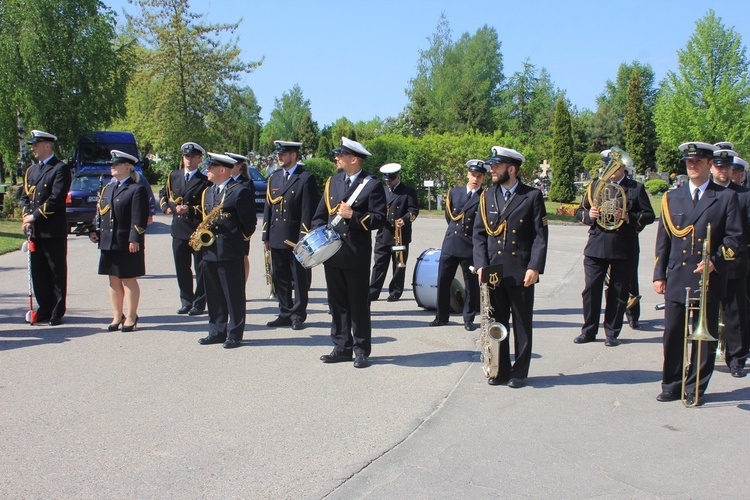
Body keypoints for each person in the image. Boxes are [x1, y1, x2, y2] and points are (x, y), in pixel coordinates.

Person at [653, 142, 742, 405]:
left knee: (703, 338)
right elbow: (664, 240)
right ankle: (671, 383)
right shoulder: (672, 197)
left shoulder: (725, 197)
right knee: (672, 333)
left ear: (709, 165)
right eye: (689, 162)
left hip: (708, 276)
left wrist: (715, 261)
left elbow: (734, 239)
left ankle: (696, 387)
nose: (693, 166)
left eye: (699, 162)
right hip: (678, 276)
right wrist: (659, 274)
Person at [473, 147, 548, 388]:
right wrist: (481, 265)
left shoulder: (532, 196)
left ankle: (519, 372)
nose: (492, 170)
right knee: (497, 322)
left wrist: (535, 266)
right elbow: (479, 234)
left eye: (497, 165)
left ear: (512, 169)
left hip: (520, 269)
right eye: (492, 166)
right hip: (494, 270)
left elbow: (540, 236)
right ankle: (500, 368)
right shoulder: (487, 196)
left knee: (522, 323)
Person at [313, 137, 386, 368]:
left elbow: (379, 219)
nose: (337, 158)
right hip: (333, 253)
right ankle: (341, 346)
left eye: (341, 155)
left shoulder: (372, 185)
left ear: (354, 159)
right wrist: (316, 236)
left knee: (358, 303)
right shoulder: (332, 182)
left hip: (356, 253)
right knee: (337, 303)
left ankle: (361, 349)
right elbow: (320, 214)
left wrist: (352, 216)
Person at [574, 148, 655, 346]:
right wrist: (589, 215)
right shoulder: (595, 185)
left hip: (623, 247)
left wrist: (628, 217)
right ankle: (589, 330)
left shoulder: (635, 188)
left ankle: (612, 332)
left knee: (618, 292)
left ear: (623, 168)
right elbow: (579, 210)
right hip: (597, 245)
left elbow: (649, 215)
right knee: (591, 289)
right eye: (607, 165)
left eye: (614, 166)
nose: (609, 170)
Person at [196, 153, 257, 349]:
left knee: (233, 294)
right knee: (213, 293)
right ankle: (216, 331)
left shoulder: (239, 191)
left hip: (230, 249)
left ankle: (234, 333)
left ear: (222, 170)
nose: (207, 170)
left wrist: (235, 239)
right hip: (209, 250)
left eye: (210, 167)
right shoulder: (209, 191)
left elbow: (249, 223)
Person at [88, 151, 148, 331]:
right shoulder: (108, 188)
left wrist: (135, 238)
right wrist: (93, 230)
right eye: (112, 164)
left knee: (128, 279)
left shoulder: (136, 189)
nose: (112, 167)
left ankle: (131, 316)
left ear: (128, 167)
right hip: (108, 241)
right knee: (113, 279)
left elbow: (139, 217)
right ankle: (117, 315)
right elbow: (101, 212)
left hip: (126, 241)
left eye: (116, 164)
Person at [263, 141, 320, 330]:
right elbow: (268, 209)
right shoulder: (274, 178)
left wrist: (303, 237)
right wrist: (266, 235)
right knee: (280, 277)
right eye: (278, 153)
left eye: (284, 153)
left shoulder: (305, 178)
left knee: (299, 278)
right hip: (277, 234)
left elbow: (307, 210)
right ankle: (284, 312)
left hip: (296, 236)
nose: (279, 157)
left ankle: (298, 314)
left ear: (294, 155)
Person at [20, 130, 72, 326]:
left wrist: (34, 216)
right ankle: (44, 308)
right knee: (38, 271)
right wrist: (27, 216)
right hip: (35, 230)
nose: (33, 147)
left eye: (36, 144)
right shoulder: (31, 171)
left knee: (55, 271)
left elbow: (56, 199)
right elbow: (26, 197)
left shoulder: (60, 169)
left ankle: (57, 311)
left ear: (47, 145)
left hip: (52, 229)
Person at [430, 159, 486, 331]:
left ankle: (468, 318)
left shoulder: (484, 196)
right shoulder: (455, 192)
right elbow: (450, 217)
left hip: (469, 245)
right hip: (451, 242)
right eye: (472, 175)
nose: (475, 179)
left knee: (470, 284)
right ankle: (441, 316)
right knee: (443, 280)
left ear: (483, 178)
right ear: (467, 175)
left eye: (479, 176)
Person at [159, 142, 210, 316]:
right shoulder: (174, 176)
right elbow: (163, 195)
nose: (189, 160)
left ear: (199, 159)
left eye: (193, 157)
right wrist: (168, 207)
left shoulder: (205, 181)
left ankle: (199, 302)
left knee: (200, 268)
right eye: (187, 157)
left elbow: (208, 206)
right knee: (182, 267)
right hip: (178, 228)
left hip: (196, 229)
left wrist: (190, 209)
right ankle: (186, 300)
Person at [711, 149, 749, 378]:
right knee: (707, 313)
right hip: (709, 263)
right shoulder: (708, 193)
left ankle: (736, 359)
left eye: (727, 167)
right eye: (719, 166)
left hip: (735, 263)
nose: (723, 171)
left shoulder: (744, 194)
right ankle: (705, 355)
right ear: (712, 167)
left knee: (735, 314)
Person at [369, 163, 419, 302]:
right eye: (387, 181)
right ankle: (373, 291)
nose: (389, 183)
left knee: (398, 265)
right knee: (379, 264)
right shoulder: (382, 190)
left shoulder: (408, 191)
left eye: (391, 180)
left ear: (398, 177)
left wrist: (404, 220)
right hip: (383, 233)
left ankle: (395, 292)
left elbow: (414, 211)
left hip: (400, 235)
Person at [226, 152, 253, 282]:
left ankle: (243, 284)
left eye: (232, 164)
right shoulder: (224, 181)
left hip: (241, 227)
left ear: (239, 166)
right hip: (228, 228)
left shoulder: (246, 183)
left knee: (243, 256)